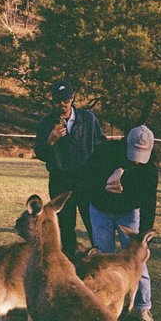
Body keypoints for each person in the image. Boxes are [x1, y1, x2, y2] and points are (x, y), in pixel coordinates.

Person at [81, 125, 159, 321]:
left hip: (129, 212)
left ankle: (143, 307)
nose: (135, 160)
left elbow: (149, 204)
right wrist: (102, 185)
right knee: (105, 256)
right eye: (133, 153)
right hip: (100, 208)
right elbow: (84, 181)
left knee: (136, 261)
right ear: (126, 143)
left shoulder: (149, 170)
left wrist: (144, 239)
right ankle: (103, 304)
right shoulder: (105, 152)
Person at [33, 79, 107, 259]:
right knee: (66, 229)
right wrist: (50, 141)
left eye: (66, 99)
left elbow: (102, 147)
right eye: (58, 100)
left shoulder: (88, 119)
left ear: (73, 98)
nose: (62, 104)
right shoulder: (46, 124)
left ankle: (101, 263)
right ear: (52, 101)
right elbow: (40, 153)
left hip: (87, 182)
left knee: (94, 226)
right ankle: (69, 269)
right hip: (61, 184)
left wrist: (102, 174)